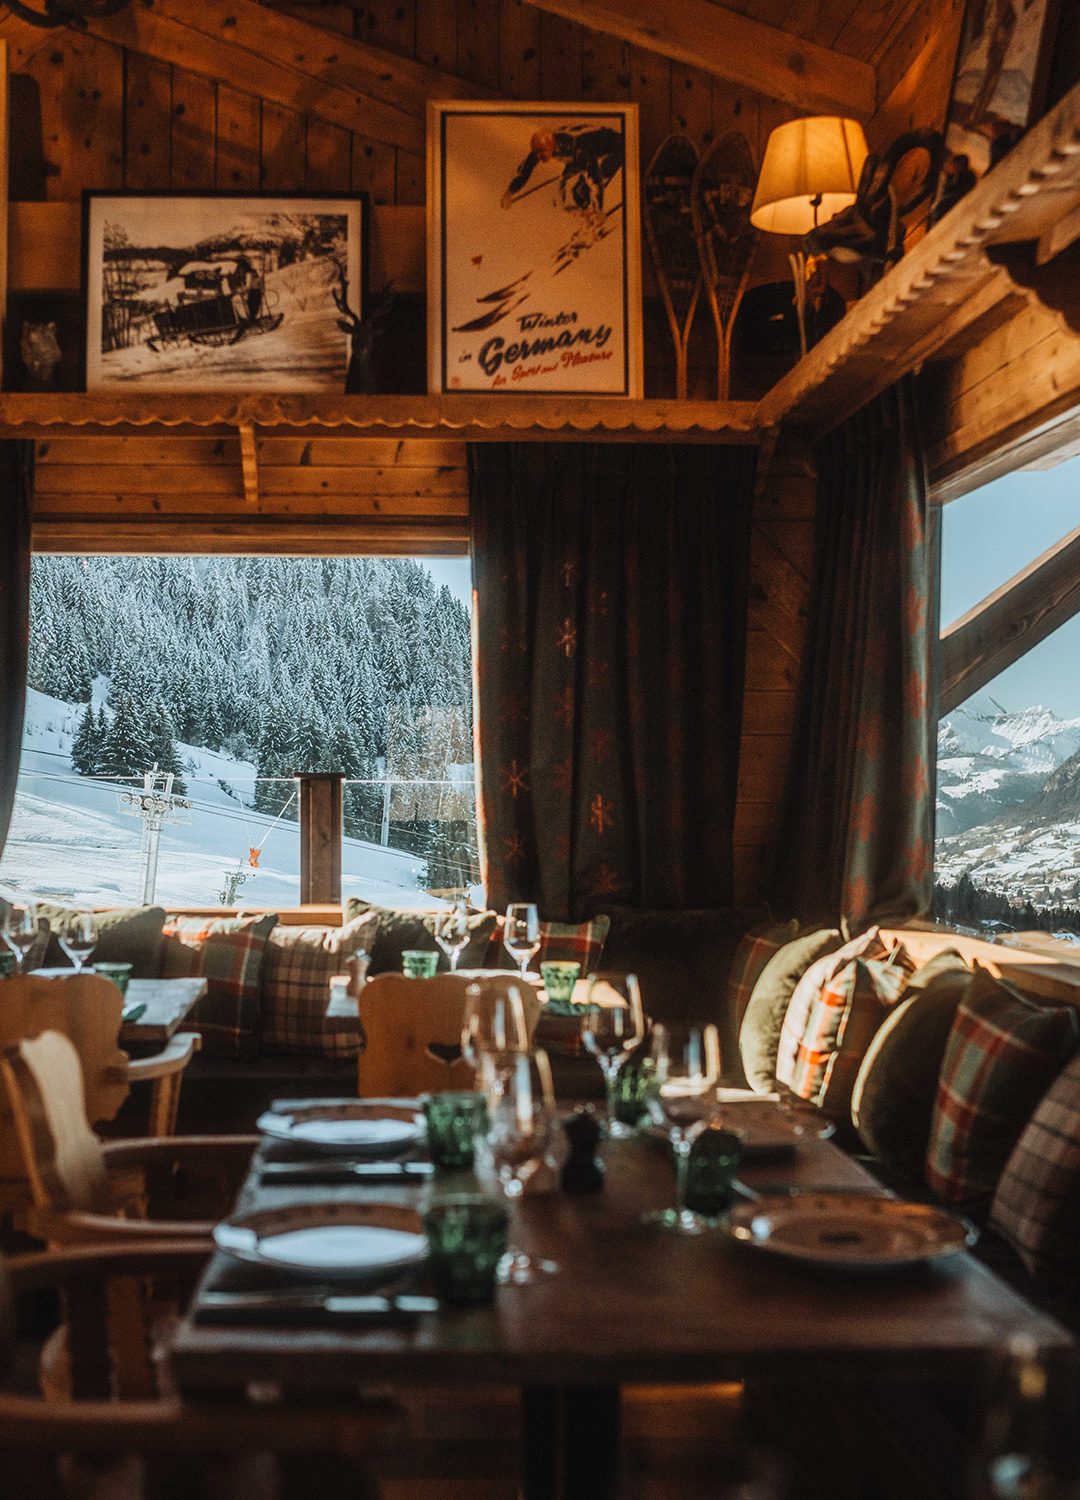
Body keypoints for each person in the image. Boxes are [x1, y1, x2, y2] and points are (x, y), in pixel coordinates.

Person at [501, 124, 624, 223]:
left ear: (551, 146)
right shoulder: (542, 147)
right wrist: (509, 192)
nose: (539, 156)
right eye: (537, 153)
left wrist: (599, 209)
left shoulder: (578, 146)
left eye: (542, 152)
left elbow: (594, 176)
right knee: (567, 183)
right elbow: (525, 169)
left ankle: (595, 213)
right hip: (579, 156)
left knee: (599, 175)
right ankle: (584, 211)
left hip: (615, 145)